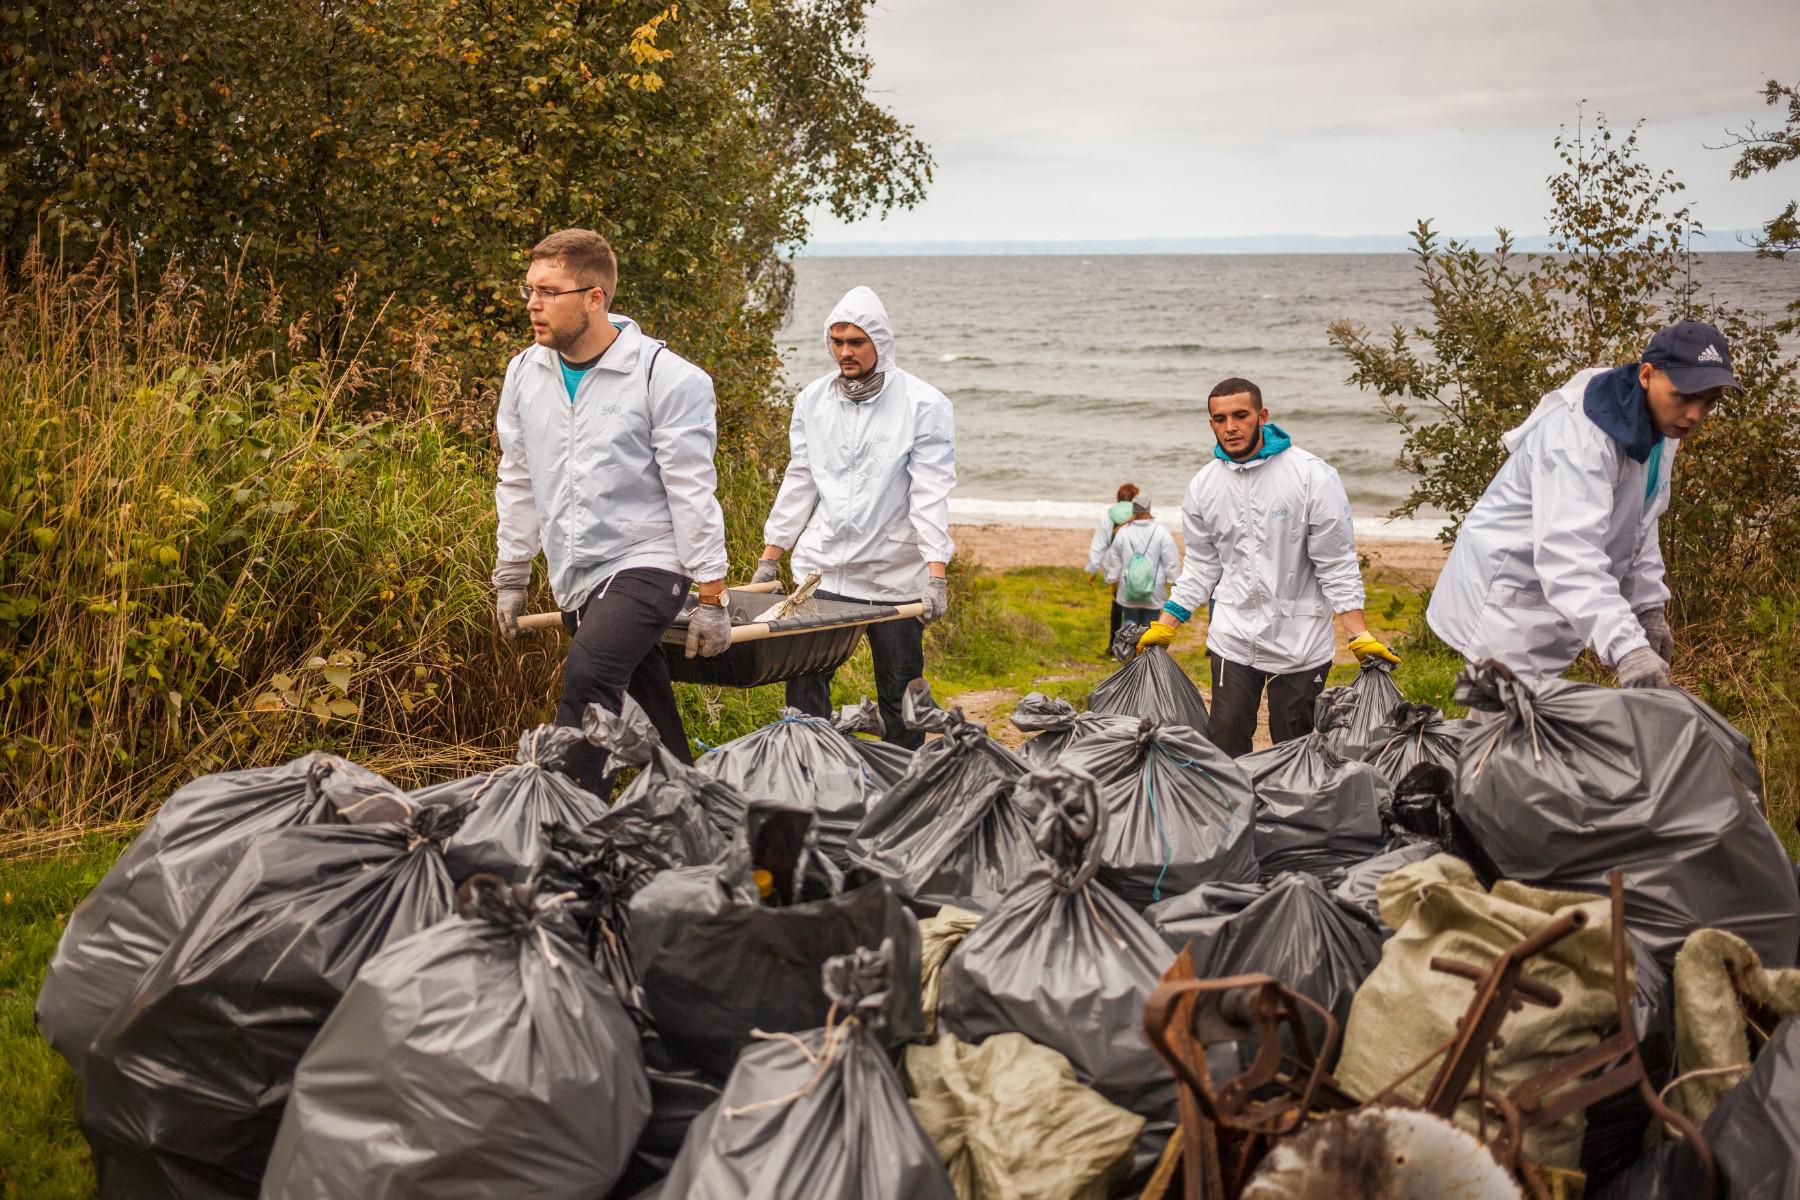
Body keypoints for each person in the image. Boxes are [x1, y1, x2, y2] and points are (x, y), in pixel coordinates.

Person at [491, 228, 732, 791]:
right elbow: (519, 476)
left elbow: (691, 489)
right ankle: (694, 805)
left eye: (549, 292)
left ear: (594, 297)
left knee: (590, 676)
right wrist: (512, 570)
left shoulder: (664, 377)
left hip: (650, 560)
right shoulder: (525, 372)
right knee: (648, 702)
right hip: (577, 571)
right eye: (530, 289)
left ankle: (565, 819)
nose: (532, 304)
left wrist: (712, 595)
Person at [1426, 320, 1737, 689]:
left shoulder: (1659, 425)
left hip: (1542, 596)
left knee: (1524, 717)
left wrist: (1648, 606)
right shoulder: (1578, 441)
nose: (1695, 415)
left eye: (1709, 402)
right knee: (1501, 718)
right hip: (1504, 595)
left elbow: (1640, 523)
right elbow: (1568, 555)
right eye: (1684, 397)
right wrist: (1627, 647)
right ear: (1646, 375)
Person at [1136, 377, 1399, 757]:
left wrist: (1357, 633)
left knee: (1294, 749)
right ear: (1210, 423)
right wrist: (1166, 623)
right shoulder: (1204, 486)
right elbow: (1202, 565)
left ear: (1262, 416)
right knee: (1225, 741)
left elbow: (1336, 563)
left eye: (1240, 416)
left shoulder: (1312, 476)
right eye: (1220, 419)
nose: (1230, 427)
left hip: (1301, 641)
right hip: (1232, 636)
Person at [750, 286, 956, 749]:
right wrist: (771, 556)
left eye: (857, 342)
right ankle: (809, 767)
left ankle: (903, 776)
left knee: (900, 693)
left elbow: (930, 493)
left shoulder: (924, 404)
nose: (845, 352)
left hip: (892, 576)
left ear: (880, 342)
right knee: (805, 687)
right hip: (822, 569)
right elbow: (800, 479)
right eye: (837, 341)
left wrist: (936, 574)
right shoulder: (813, 400)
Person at [1102, 493, 1180, 644]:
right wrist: (1174, 580)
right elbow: (1171, 561)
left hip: (1128, 587)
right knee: (1150, 626)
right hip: (1154, 589)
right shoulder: (1160, 531)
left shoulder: (1123, 531)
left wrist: (1112, 579)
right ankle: (1146, 657)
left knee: (1128, 622)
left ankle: (1127, 655)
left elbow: (1114, 560)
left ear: (1133, 508)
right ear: (1149, 508)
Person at [1087, 482, 1142, 648]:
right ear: (1135, 498)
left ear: (1118, 497)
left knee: (1117, 605)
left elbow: (1099, 544)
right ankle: (1133, 644)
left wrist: (1092, 569)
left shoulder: (1108, 515)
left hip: (1114, 566)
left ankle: (1113, 644)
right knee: (1136, 606)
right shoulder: (1140, 515)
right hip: (1137, 566)